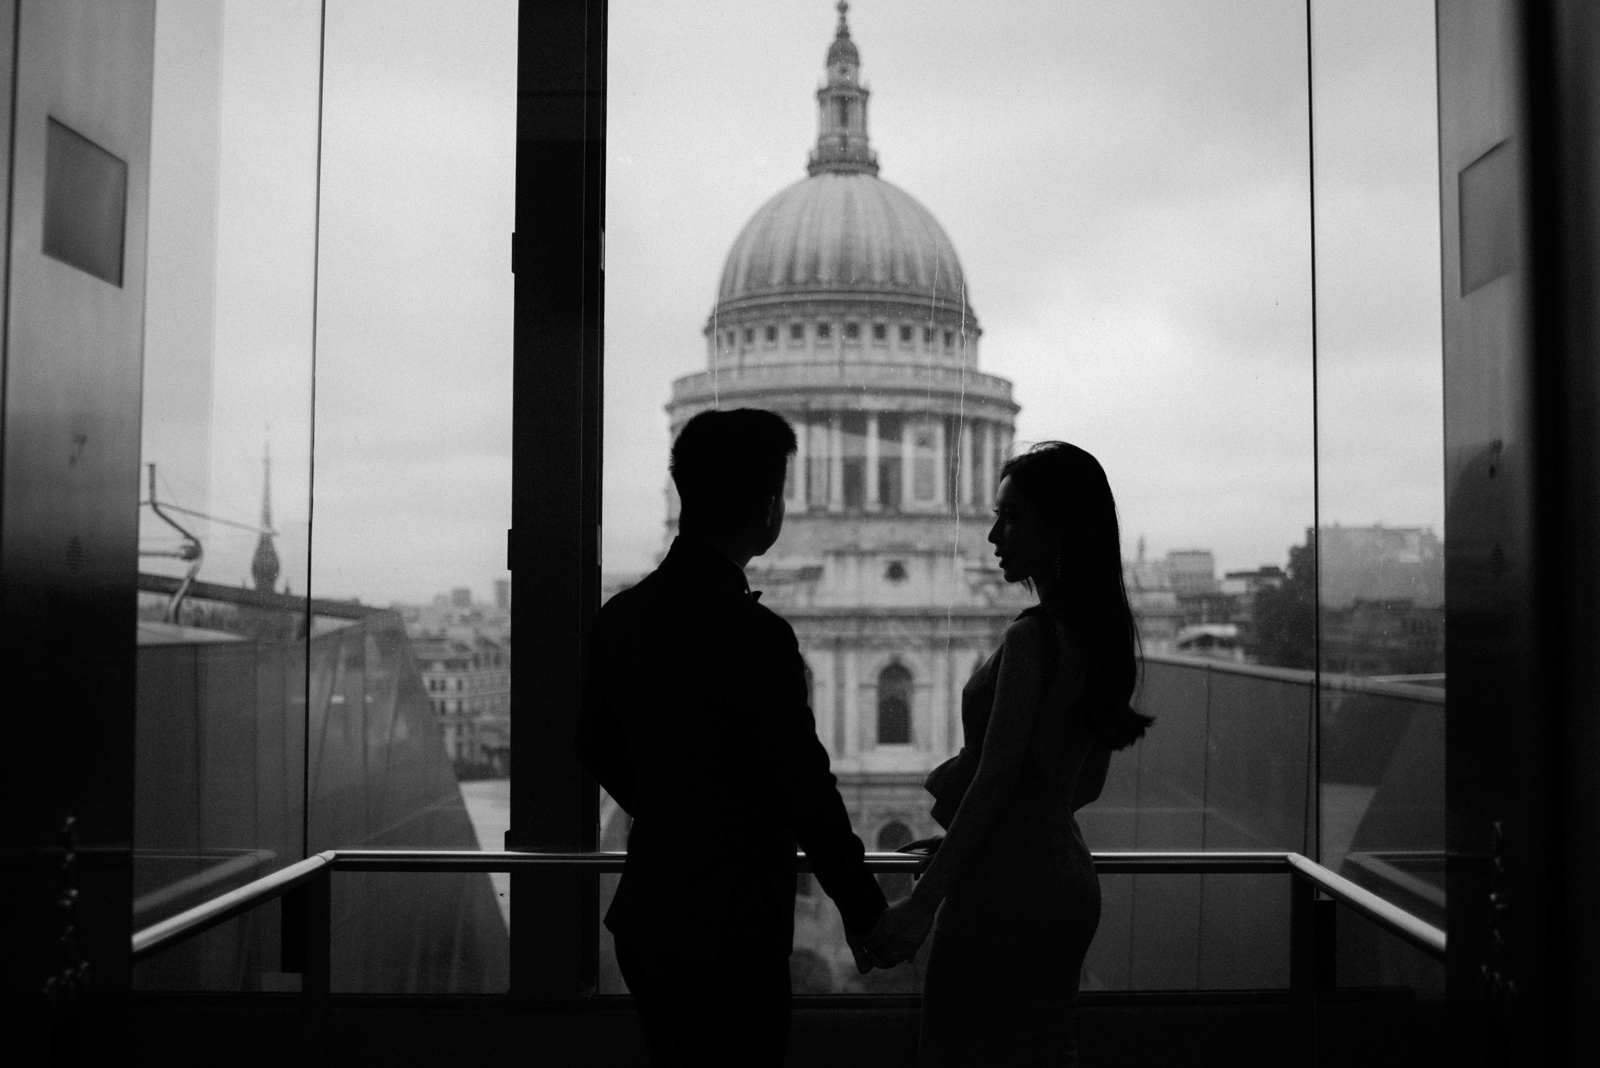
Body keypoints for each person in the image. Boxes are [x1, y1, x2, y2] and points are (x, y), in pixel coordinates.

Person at [577, 408, 891, 1068]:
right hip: (734, 926)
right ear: (771, 507)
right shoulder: (756, 636)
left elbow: (592, 745)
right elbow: (805, 787)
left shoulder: (622, 618)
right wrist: (865, 911)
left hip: (650, 919)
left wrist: (672, 807)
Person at [867, 441, 1153, 1066]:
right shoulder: (1103, 636)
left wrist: (922, 902)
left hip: (1003, 896)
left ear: (1060, 528)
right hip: (1068, 885)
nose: (994, 534)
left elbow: (996, 778)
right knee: (1046, 1049)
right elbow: (1085, 785)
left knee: (955, 1052)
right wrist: (1007, 833)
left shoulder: (1032, 638)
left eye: (1013, 517)